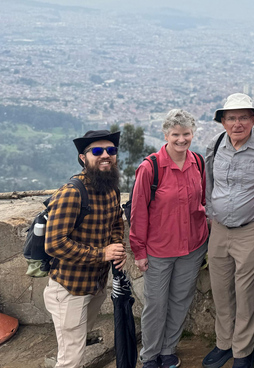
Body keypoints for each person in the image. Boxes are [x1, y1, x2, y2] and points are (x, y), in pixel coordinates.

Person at [202, 93, 254, 368]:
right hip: (220, 229)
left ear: (253, 119)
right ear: (223, 121)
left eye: (243, 117)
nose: (237, 123)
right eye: (231, 118)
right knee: (221, 290)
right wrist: (211, 213)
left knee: (247, 292)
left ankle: (243, 350)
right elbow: (209, 183)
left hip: (253, 228)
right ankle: (223, 343)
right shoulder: (215, 145)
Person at [129, 110, 209, 368]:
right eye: (176, 134)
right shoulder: (150, 167)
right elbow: (138, 212)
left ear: (192, 134)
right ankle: (150, 355)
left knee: (180, 300)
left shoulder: (198, 162)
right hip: (159, 249)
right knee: (155, 304)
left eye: (186, 134)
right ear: (166, 135)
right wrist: (139, 251)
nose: (181, 139)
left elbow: (203, 200)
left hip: (193, 246)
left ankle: (168, 349)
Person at [44, 130, 127, 368]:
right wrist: (102, 254)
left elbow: (116, 221)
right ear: (83, 158)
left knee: (77, 344)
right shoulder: (72, 193)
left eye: (111, 151)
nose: (105, 156)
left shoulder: (111, 187)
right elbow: (54, 243)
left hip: (95, 284)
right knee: (71, 359)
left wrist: (117, 245)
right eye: (97, 151)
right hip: (69, 288)